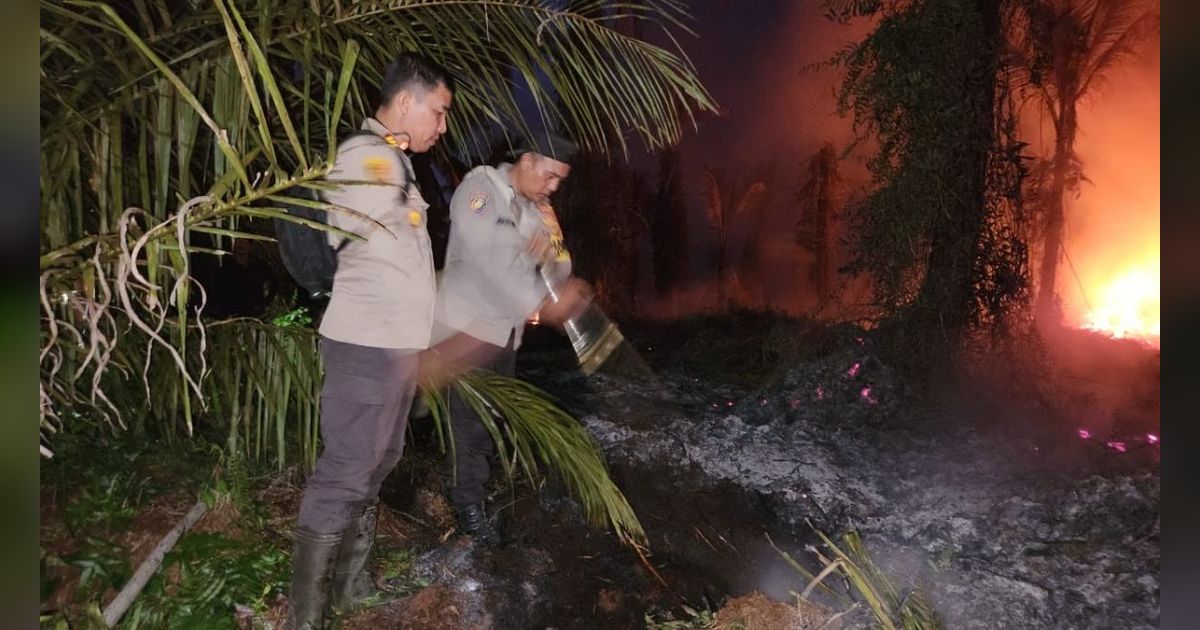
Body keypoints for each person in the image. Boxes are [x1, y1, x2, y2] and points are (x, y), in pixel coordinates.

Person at [288, 52, 453, 629]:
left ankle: (350, 587)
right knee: (346, 471)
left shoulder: (397, 165)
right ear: (405, 102)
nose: (442, 124)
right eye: (438, 111)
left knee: (380, 461)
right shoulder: (368, 159)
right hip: (365, 346)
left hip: (395, 350)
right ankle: (304, 616)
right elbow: (347, 244)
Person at [430, 133, 592, 546]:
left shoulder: (536, 209)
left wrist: (553, 264)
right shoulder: (479, 190)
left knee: (489, 421)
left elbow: (557, 267)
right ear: (527, 160)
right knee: (471, 424)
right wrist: (540, 299)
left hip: (504, 334)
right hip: (468, 331)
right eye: (551, 176)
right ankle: (467, 512)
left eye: (560, 180)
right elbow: (490, 262)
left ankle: (466, 490)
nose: (553, 186)